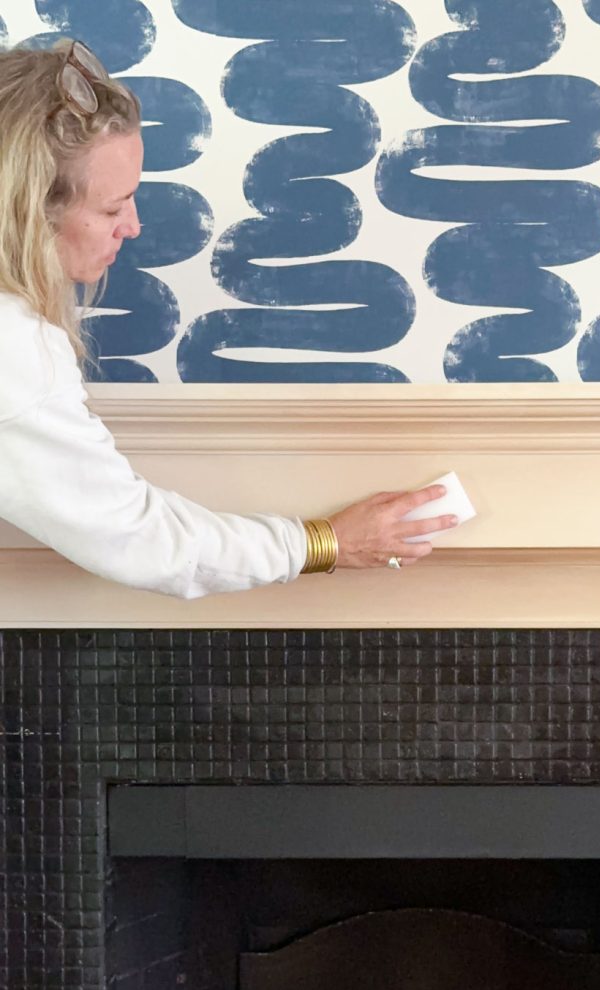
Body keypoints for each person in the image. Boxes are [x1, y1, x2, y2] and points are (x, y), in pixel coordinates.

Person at [0, 39, 457, 598]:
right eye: (113, 208)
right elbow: (139, 538)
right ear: (24, 208)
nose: (134, 226)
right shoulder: (14, 350)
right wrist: (326, 542)